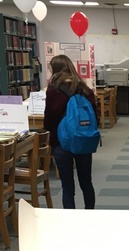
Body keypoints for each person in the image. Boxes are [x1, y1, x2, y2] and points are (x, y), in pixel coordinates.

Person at [44, 54, 97, 210]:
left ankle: (70, 219)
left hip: (62, 142)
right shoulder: (86, 90)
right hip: (83, 139)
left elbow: (49, 121)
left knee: (67, 186)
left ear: (55, 69)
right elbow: (94, 117)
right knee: (86, 182)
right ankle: (90, 214)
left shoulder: (53, 91)